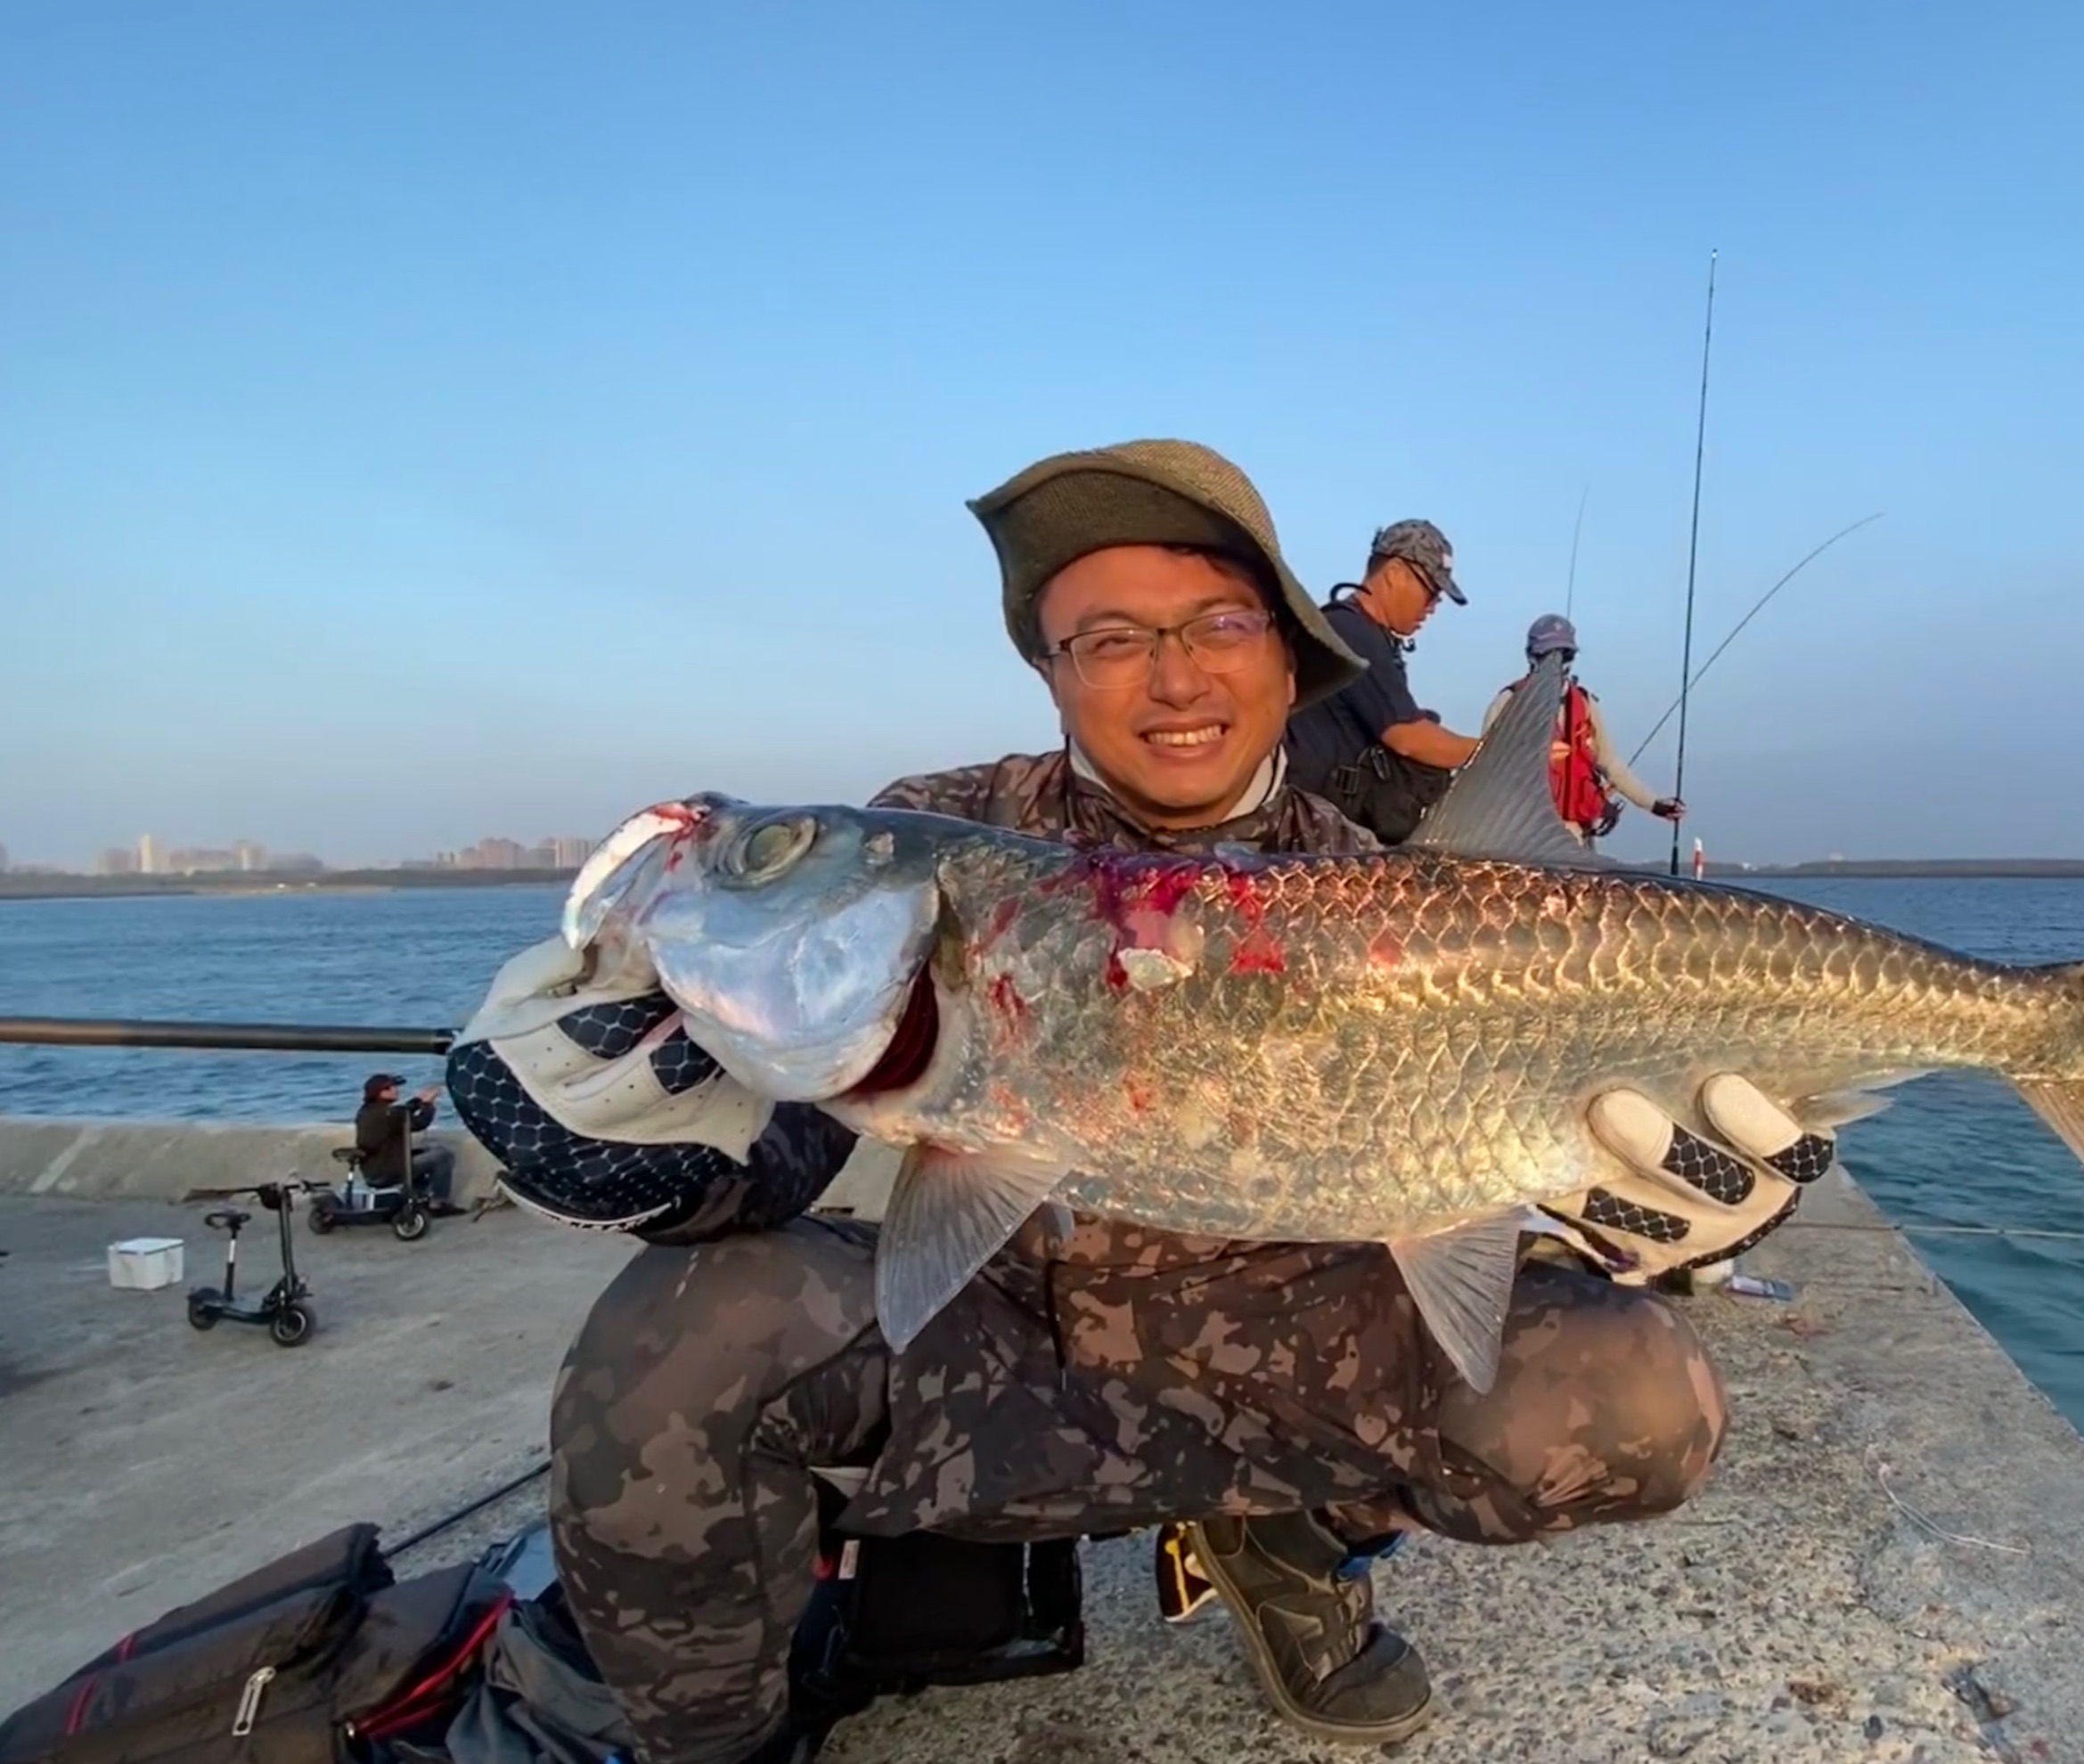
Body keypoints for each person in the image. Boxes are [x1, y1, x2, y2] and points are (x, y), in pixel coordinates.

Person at [442, 439, 1840, 1764]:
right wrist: (641, 1138)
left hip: (1297, 1357)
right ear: (1053, 673)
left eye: (1218, 623)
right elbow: (790, 1141)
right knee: (675, 1339)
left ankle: (1293, 1547)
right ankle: (716, 1743)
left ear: (1290, 658)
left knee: (1638, 1392)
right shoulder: (943, 832)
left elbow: (1523, 1156)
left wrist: (1659, 1214)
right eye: (1110, 638)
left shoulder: (1405, 895)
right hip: (1007, 1348)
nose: (1171, 679)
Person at [1280, 518, 1481, 845]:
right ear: (1395, 573)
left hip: (1324, 824)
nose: (1433, 606)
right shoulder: (1351, 632)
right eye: (1431, 591)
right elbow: (1409, 737)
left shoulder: (1361, 632)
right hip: (1311, 833)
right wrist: (1498, 750)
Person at [1480, 614, 1685, 848]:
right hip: (1522, 836)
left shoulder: (1586, 705)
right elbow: (1484, 770)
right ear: (1531, 655)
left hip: (1576, 836)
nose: (1556, 662)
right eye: (1547, 654)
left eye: (1564, 654)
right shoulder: (1507, 703)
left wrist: (1654, 804)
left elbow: (1610, 763)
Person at [352, 1073, 456, 1207]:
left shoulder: (366, 1111)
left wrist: (418, 1100)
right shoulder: (388, 1114)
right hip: (389, 1172)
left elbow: (403, 1112)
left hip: (373, 1171)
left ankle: (417, 1196)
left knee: (426, 1152)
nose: (396, 1090)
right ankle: (439, 1203)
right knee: (443, 1156)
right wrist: (428, 1105)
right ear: (381, 1093)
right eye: (391, 1088)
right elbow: (420, 1122)